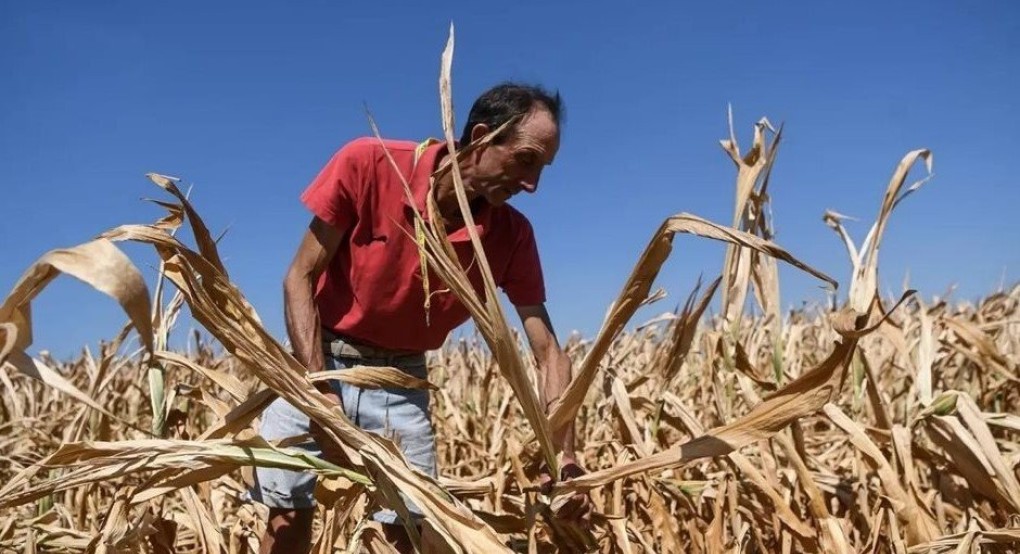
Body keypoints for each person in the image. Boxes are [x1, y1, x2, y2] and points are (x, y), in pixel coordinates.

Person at [250, 82, 589, 553]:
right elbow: (299, 278)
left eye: (542, 169)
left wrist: (565, 456)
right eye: (526, 160)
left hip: (400, 382)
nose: (532, 185)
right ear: (483, 137)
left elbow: (549, 352)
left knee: (404, 534)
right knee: (287, 518)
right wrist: (317, 394)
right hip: (315, 363)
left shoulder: (512, 236)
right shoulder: (369, 163)